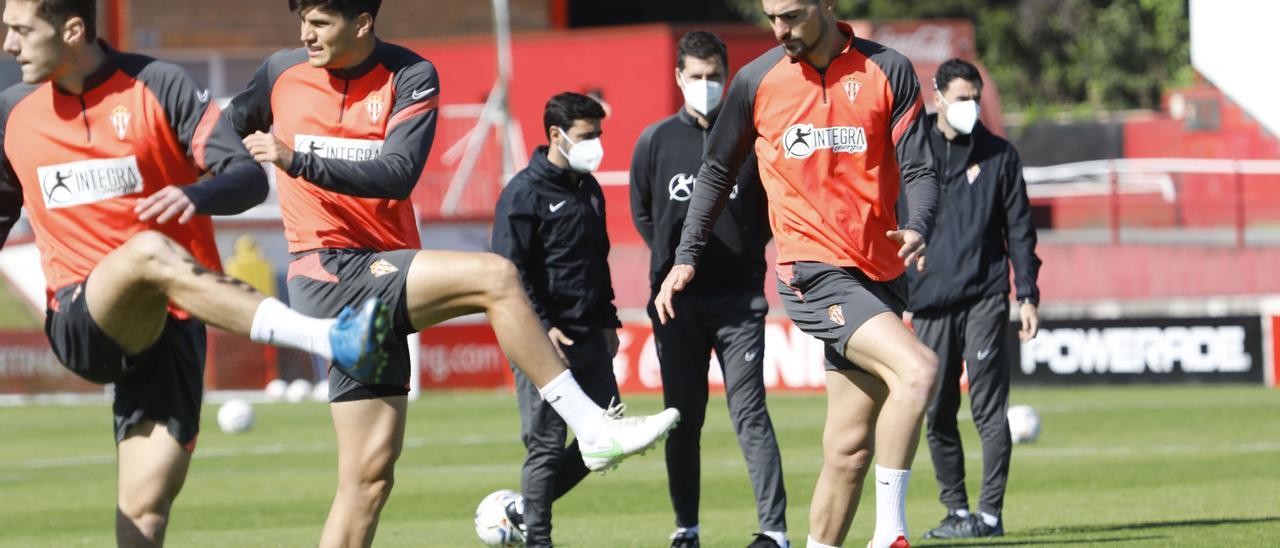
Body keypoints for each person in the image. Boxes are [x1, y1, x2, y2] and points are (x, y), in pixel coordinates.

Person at [221, 2, 679, 545]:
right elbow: (223, 130)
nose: (305, 34)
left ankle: (592, 427)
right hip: (328, 271)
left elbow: (397, 174)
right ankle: (593, 425)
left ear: (362, 22)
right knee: (496, 277)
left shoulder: (411, 74)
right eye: (303, 21)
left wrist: (294, 159)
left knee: (367, 482)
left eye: (320, 23)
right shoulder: (279, 71)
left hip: (382, 277)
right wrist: (223, 180)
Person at [0, 0, 388, 545]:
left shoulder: (157, 85)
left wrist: (194, 191)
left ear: (71, 30)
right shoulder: (11, 111)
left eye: (19, 30)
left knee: (145, 508)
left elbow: (247, 177)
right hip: (82, 316)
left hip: (174, 330)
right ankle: (327, 338)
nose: (8, 45)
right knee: (147, 252)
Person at [653, 1, 941, 547]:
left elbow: (921, 165)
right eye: (770, 17)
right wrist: (686, 254)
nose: (779, 29)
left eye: (790, 15)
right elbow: (715, 170)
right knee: (920, 371)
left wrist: (920, 222)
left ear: (827, 5)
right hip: (811, 271)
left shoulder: (890, 69)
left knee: (849, 450)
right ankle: (890, 534)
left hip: (880, 273)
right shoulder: (756, 80)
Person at [631, 30, 787, 548]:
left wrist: (739, 254)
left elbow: (769, 215)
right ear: (679, 78)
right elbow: (645, 216)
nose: (706, 84)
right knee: (682, 420)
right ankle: (687, 530)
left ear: (728, 76)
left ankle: (774, 533)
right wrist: (679, 266)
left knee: (750, 415)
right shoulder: (654, 142)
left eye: (715, 76)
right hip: (676, 307)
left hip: (740, 302)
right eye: (696, 77)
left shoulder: (752, 137)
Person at [491, 91, 637, 548]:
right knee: (548, 445)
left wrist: (609, 318)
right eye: (587, 135)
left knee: (609, 433)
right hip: (542, 338)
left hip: (591, 334)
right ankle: (538, 538)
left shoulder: (588, 186)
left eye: (599, 133)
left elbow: (599, 259)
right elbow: (505, 271)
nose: (597, 143)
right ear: (556, 135)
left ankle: (523, 508)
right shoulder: (522, 193)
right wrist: (537, 327)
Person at [908, 58, 1041, 540]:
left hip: (985, 297)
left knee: (988, 409)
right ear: (938, 97)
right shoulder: (909, 145)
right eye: (961, 97)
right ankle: (956, 511)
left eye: (975, 98)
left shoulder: (1000, 155)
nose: (970, 106)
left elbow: (1021, 231)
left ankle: (988, 515)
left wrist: (1026, 294)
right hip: (927, 302)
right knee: (938, 412)